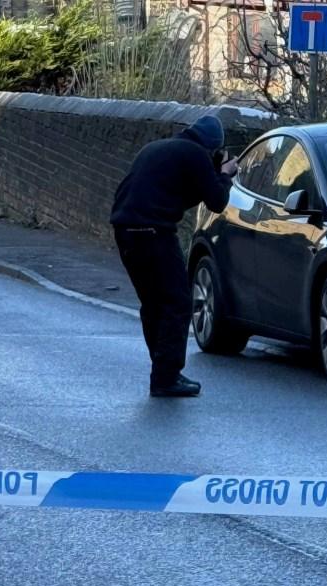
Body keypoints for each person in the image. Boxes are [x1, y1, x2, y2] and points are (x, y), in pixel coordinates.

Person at [110, 115, 239, 397]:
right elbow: (217, 201)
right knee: (177, 302)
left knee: (153, 303)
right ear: (213, 147)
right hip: (154, 232)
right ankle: (166, 377)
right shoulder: (196, 155)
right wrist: (226, 174)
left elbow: (177, 194)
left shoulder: (157, 148)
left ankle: (161, 369)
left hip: (125, 231)